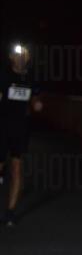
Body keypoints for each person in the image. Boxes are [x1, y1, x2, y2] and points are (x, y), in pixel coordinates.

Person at [0, 43, 39, 227]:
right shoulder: (4, 76)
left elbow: (36, 97)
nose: (21, 58)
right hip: (2, 126)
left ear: (28, 58)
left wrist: (37, 103)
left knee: (17, 168)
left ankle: (10, 213)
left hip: (21, 129)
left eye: (25, 55)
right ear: (11, 58)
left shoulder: (31, 78)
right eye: (18, 55)